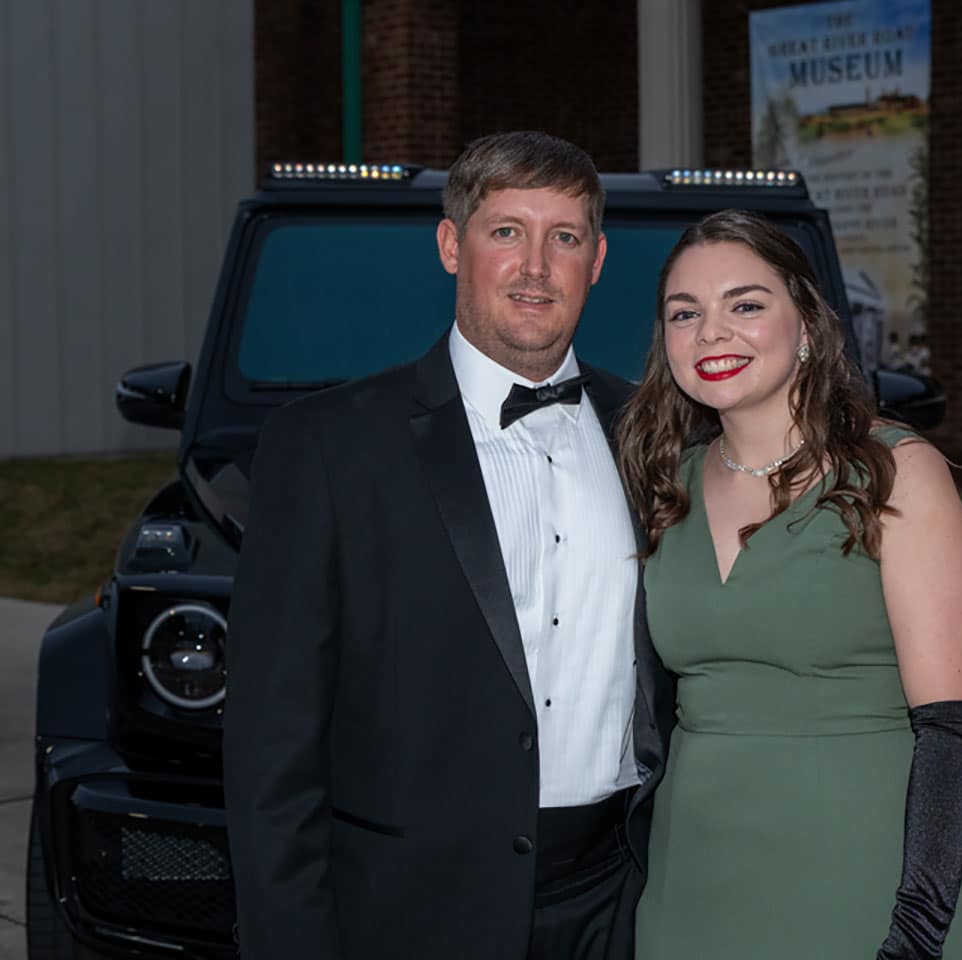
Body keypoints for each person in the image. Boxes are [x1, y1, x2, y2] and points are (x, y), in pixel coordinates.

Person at [223, 131, 673, 960]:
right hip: (409, 912)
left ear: (598, 260)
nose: (536, 266)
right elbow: (270, 749)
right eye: (506, 231)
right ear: (450, 246)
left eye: (564, 237)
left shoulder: (656, 436)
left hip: (621, 904)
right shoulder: (326, 446)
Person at [617, 209, 962, 959]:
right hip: (689, 890)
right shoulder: (665, 488)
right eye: (685, 314)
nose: (712, 333)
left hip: (862, 884)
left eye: (745, 305)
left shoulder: (894, 472)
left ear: (808, 326)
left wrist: (916, 933)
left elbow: (953, 732)